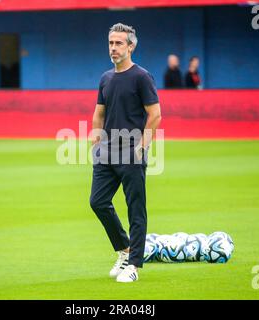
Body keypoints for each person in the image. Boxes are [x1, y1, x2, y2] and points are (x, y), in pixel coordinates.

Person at [89, 23, 162, 283]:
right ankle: (124, 248)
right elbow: (99, 112)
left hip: (132, 153)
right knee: (97, 202)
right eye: (110, 43)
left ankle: (134, 266)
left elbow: (155, 115)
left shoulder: (142, 77)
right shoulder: (105, 78)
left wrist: (141, 148)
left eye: (119, 43)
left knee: (135, 210)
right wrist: (96, 143)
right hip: (107, 154)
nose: (113, 48)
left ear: (131, 46)